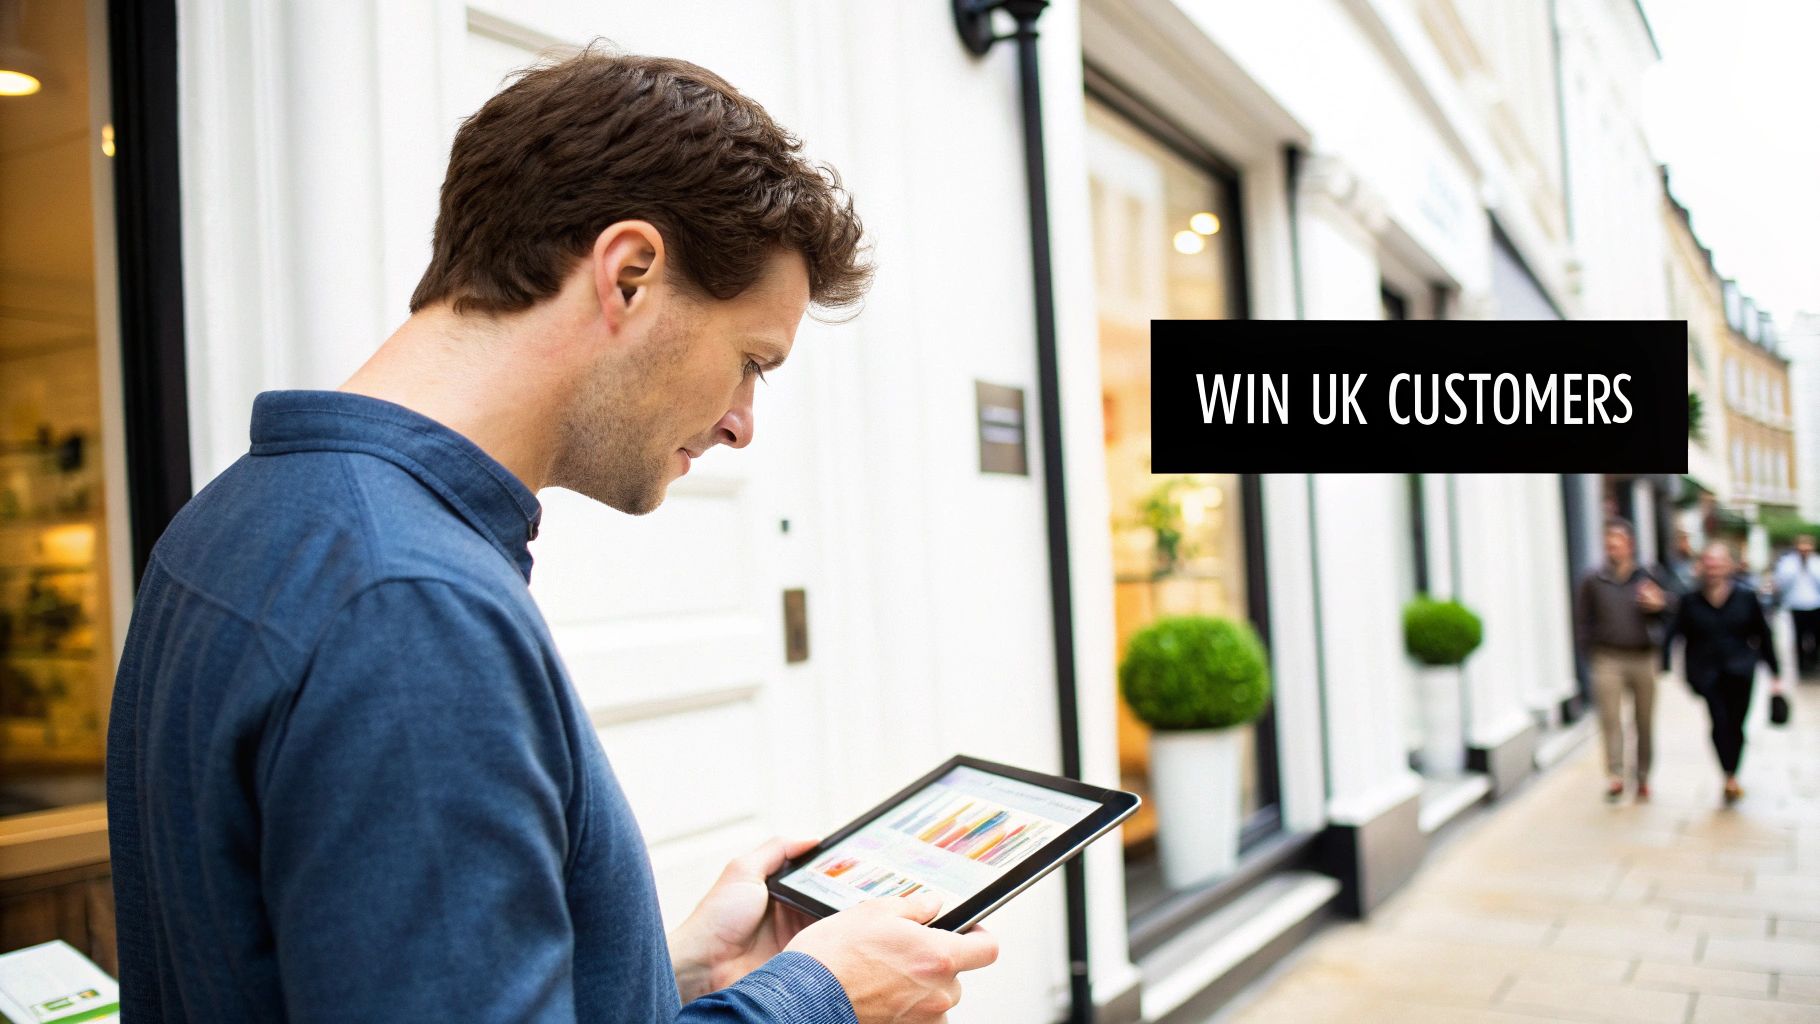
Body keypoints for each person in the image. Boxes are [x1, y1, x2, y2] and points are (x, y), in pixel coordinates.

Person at [106, 50, 996, 1023]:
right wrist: (816, 996)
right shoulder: (408, 608)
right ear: (628, 275)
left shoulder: (234, 516)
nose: (742, 420)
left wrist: (677, 972)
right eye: (749, 361)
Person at [1664, 541, 1784, 805]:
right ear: (1701, 567)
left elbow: (1763, 635)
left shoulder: (1746, 597)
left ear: (1729, 566)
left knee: (1737, 724)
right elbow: (1674, 632)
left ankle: (1732, 772)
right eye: (1708, 562)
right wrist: (1664, 663)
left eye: (1718, 563)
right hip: (1705, 673)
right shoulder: (1689, 600)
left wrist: (1775, 675)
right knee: (1718, 721)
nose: (1713, 568)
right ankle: (1728, 774)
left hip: (1740, 671)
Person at [1574, 518, 1677, 802]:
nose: (1612, 549)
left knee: (1643, 721)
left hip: (1643, 657)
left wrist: (1661, 604)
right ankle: (1616, 775)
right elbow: (1582, 621)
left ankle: (1642, 776)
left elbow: (1675, 608)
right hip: (1607, 658)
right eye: (1608, 544)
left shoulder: (1649, 576)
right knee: (1610, 720)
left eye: (1617, 543)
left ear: (1629, 545)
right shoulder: (1593, 580)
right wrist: (1589, 654)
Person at [1772, 533, 1820, 677]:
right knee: (1798, 637)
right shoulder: (1787, 563)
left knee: (1816, 636)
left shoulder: (1816, 562)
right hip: (1795, 605)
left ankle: (1813, 661)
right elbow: (1781, 583)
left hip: (1815, 604)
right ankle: (1801, 665)